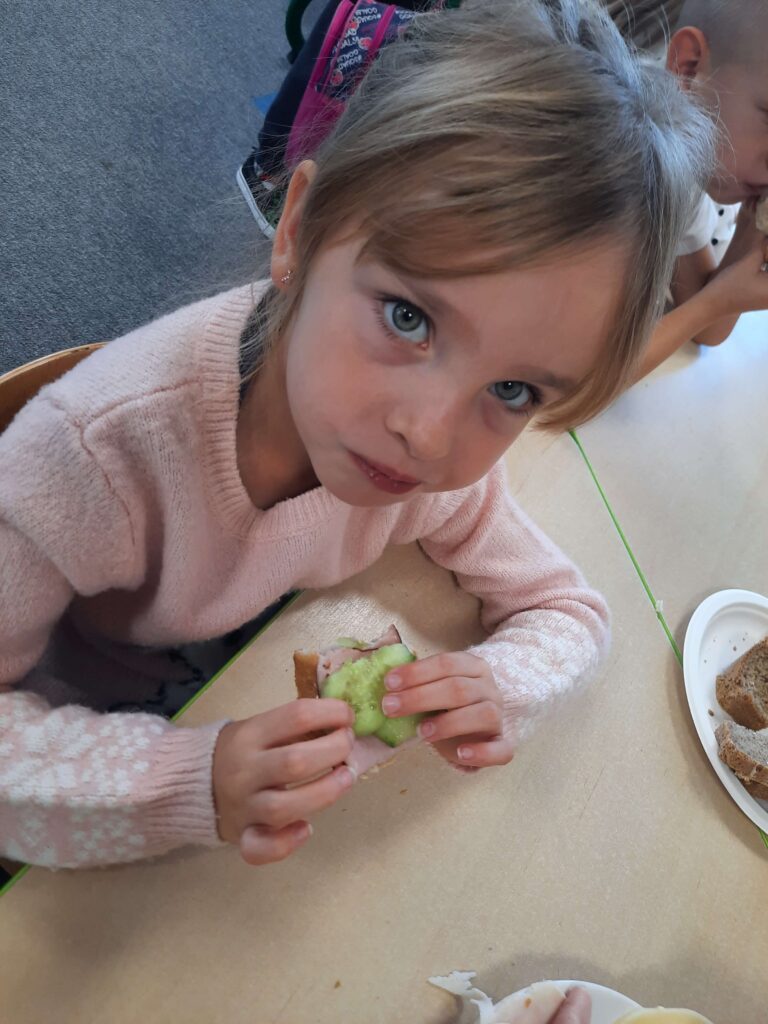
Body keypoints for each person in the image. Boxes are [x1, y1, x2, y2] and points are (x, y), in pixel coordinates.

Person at [0, 0, 712, 870]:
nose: (429, 435)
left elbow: (568, 611)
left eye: (513, 389)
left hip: (228, 709)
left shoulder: (427, 470)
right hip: (70, 762)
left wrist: (501, 683)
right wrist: (184, 777)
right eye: (409, 317)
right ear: (298, 231)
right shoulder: (95, 452)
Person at [635, 0, 768, 377]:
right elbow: (579, 375)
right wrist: (712, 304)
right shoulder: (632, 159)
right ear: (689, 68)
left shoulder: (691, 156)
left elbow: (706, 329)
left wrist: (755, 222)